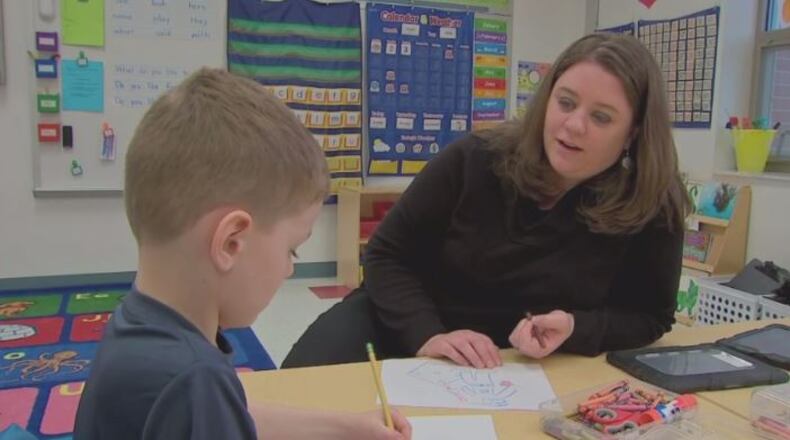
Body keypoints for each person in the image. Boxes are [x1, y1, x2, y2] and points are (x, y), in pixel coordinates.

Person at [283, 33, 690, 369]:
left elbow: (649, 315)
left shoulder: (654, 202)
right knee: (300, 389)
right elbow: (387, 255)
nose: (573, 125)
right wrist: (428, 335)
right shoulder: (475, 158)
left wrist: (575, 327)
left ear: (634, 132)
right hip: (403, 322)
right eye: (565, 102)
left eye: (601, 117)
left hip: (516, 365)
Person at [74, 68, 411, 440]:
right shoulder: (194, 380)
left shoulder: (141, 325)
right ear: (231, 243)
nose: (287, 271)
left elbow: (238, 414)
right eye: (291, 250)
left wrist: (349, 427)